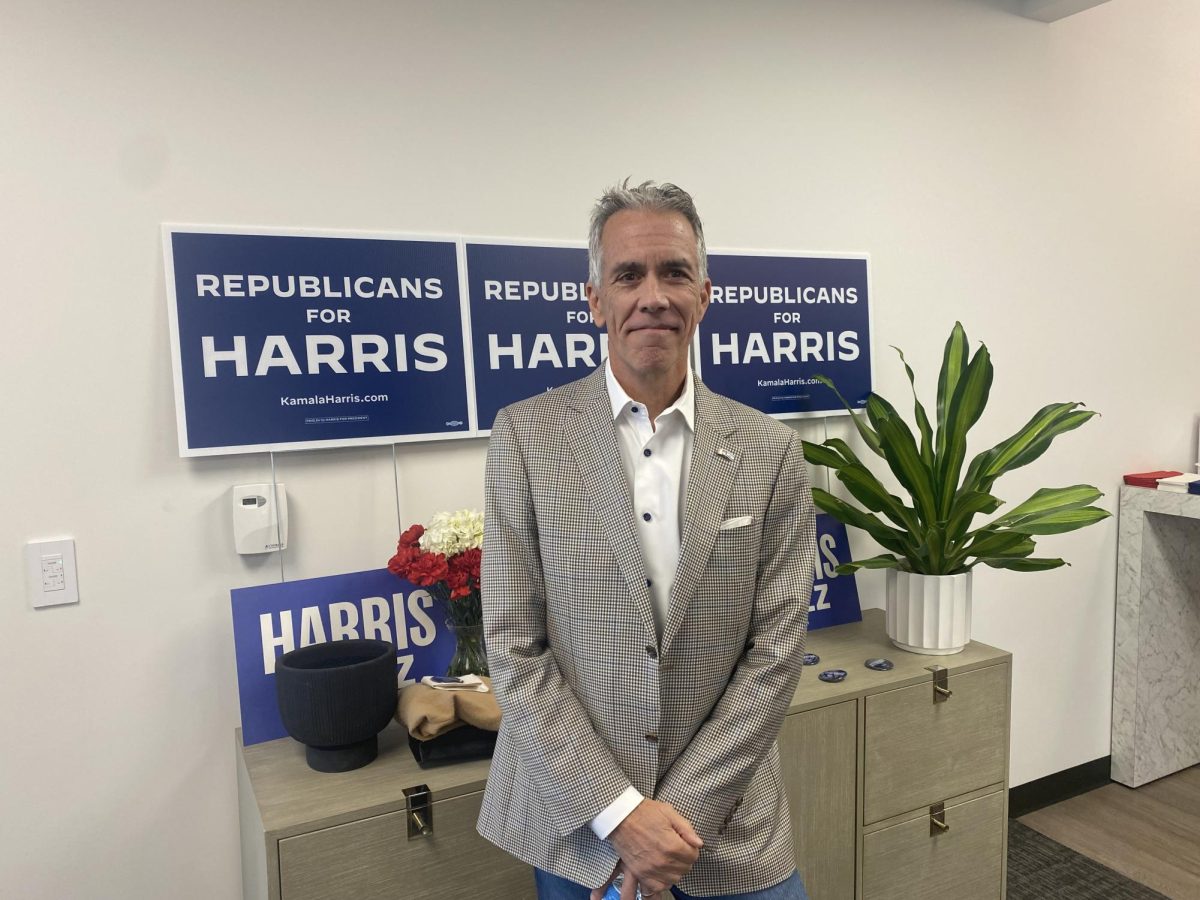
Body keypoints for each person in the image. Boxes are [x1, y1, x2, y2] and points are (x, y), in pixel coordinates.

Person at [477, 180, 816, 900]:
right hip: (580, 826)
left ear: (704, 294)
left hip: (729, 826)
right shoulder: (526, 438)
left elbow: (776, 653)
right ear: (596, 300)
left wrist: (671, 823)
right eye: (628, 275)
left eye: (674, 273)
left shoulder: (772, 451)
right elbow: (514, 650)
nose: (653, 295)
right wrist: (622, 816)